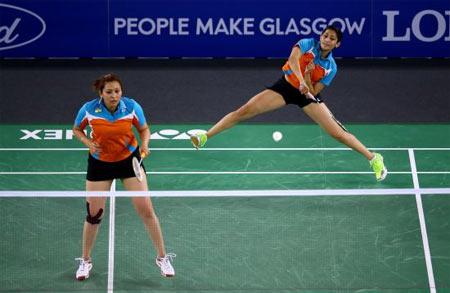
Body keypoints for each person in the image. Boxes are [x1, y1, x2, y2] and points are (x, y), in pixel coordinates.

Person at [190, 25, 387, 181]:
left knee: (337, 133)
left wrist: (308, 78)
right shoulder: (306, 43)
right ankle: (206, 136)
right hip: (286, 86)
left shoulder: (331, 68)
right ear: (321, 36)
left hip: (307, 96)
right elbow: (293, 61)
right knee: (244, 111)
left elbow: (314, 92)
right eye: (325, 35)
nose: (327, 40)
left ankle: (374, 158)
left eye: (332, 38)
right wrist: (302, 79)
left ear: (337, 45)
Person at [72, 73, 175, 281]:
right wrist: (88, 143)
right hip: (100, 163)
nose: (113, 96)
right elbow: (77, 129)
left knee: (146, 210)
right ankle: (85, 260)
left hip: (129, 161)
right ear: (101, 93)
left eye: (117, 91)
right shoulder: (89, 110)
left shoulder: (132, 107)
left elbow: (144, 129)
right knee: (93, 215)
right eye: (109, 92)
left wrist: (145, 144)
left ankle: (162, 257)